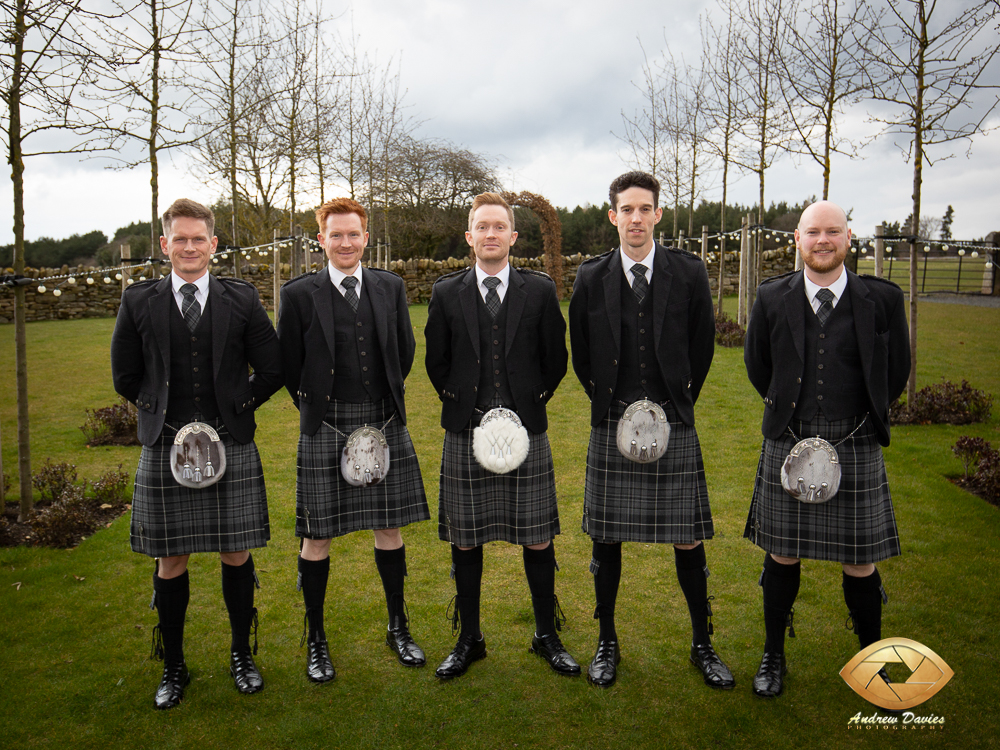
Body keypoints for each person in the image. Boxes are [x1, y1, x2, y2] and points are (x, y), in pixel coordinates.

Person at [111, 198, 283, 709]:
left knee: (236, 551)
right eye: (179, 239)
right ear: (165, 245)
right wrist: (160, 412)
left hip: (230, 440)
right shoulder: (139, 301)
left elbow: (271, 367)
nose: (189, 247)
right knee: (171, 559)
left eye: (198, 239)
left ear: (214, 244)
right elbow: (124, 374)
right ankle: (174, 665)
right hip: (166, 443)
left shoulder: (242, 298)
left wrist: (239, 405)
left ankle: (241, 654)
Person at [568, 171, 733, 690]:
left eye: (645, 209)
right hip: (613, 418)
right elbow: (581, 349)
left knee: (687, 539)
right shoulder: (590, 277)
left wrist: (678, 403)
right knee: (606, 538)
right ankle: (606, 641)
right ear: (612, 216)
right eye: (627, 210)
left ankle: (702, 642)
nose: (636, 218)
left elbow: (702, 345)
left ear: (658, 214)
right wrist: (607, 402)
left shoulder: (688, 273)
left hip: (671, 418)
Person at [743, 200, 910, 698]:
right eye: (813, 232)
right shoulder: (772, 296)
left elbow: (894, 369)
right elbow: (758, 365)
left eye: (832, 232)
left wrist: (864, 413)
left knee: (860, 561)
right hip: (790, 437)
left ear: (848, 237)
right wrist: (787, 411)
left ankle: (873, 665)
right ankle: (773, 656)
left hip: (856, 439)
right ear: (797, 238)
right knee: (782, 552)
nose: (822, 240)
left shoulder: (881, 299)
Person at [424, 192, 578, 679]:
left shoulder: (539, 290)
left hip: (525, 431)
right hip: (465, 432)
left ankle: (545, 635)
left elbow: (556, 360)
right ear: (469, 237)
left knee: (537, 538)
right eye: (481, 227)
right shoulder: (447, 292)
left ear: (513, 236)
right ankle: (470, 638)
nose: (490, 234)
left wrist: (528, 405)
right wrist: (465, 407)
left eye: (499, 227)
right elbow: (436, 362)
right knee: (466, 541)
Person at [277, 197, 430, 682]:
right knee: (316, 535)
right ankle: (316, 639)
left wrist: (380, 398)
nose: (346, 242)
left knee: (389, 527)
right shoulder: (299, 293)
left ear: (366, 237)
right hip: (325, 424)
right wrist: (316, 409)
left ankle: (398, 626)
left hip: (382, 419)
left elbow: (403, 351)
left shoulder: (390, 287)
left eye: (354, 234)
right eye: (336, 235)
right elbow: (287, 362)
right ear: (321, 239)